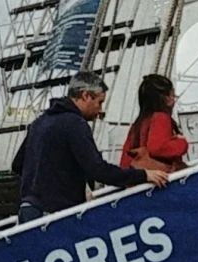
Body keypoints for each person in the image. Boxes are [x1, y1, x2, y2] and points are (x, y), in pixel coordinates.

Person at [12, 70, 170, 220]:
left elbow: (18, 165)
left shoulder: (39, 123)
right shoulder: (74, 124)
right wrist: (143, 175)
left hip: (29, 210)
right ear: (86, 95)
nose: (100, 110)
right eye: (99, 102)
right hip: (56, 214)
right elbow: (97, 169)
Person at [121, 73, 189, 173]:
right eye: (173, 95)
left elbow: (126, 155)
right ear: (167, 99)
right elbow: (157, 148)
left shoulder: (137, 124)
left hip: (138, 179)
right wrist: (182, 143)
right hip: (158, 179)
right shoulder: (161, 118)